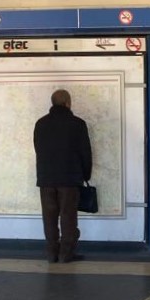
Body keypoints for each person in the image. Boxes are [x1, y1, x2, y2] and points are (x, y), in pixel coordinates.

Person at [33, 89, 93, 263]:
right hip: (69, 180)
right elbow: (85, 153)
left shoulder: (40, 124)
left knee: (49, 217)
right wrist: (86, 175)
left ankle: (52, 253)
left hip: (46, 179)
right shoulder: (78, 124)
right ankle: (66, 254)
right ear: (68, 103)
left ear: (52, 103)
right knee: (68, 217)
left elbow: (38, 149)